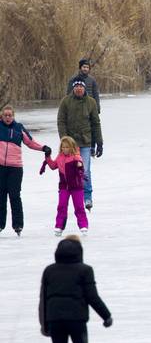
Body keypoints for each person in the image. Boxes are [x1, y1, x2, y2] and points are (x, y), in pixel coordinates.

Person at [39, 235, 112, 343]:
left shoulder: (49, 271)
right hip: (77, 320)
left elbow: (43, 300)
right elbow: (92, 297)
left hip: (55, 320)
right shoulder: (85, 270)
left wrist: (44, 324)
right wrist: (106, 316)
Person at [0, 104, 49, 236]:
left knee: (15, 196)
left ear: (13, 116)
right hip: (1, 168)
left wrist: (43, 148)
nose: (8, 117)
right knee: (1, 196)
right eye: (5, 115)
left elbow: (30, 142)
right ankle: (0, 224)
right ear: (2, 116)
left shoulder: (18, 128)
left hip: (15, 168)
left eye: (10, 115)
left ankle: (18, 225)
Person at [57, 80, 102, 211]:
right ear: (73, 88)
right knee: (69, 170)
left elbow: (96, 123)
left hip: (86, 142)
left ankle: (87, 197)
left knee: (85, 170)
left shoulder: (91, 102)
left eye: (80, 87)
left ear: (84, 88)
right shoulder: (66, 101)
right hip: (70, 144)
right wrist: (65, 140)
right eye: (76, 87)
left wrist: (99, 143)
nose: (78, 89)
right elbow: (61, 121)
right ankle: (68, 194)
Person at [44, 136, 89, 236]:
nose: (65, 149)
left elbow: (81, 169)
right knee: (61, 206)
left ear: (72, 147)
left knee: (79, 207)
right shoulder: (60, 157)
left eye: (67, 147)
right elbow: (52, 166)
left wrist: (79, 166)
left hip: (76, 187)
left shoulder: (76, 157)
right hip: (64, 187)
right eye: (63, 147)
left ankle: (83, 225)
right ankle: (59, 226)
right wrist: (48, 157)